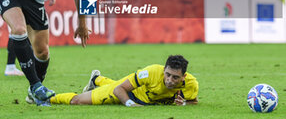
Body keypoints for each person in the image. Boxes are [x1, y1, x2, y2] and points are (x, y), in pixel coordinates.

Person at [42, 55, 198, 107]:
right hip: (128, 94)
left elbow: (194, 101)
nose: (170, 80)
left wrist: (184, 103)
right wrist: (131, 104)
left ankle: (96, 79)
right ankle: (46, 98)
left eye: (175, 77)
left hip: (140, 97)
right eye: (167, 75)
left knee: (113, 84)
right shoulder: (150, 72)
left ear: (184, 77)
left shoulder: (191, 84)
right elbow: (119, 89)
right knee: (78, 101)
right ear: (163, 70)